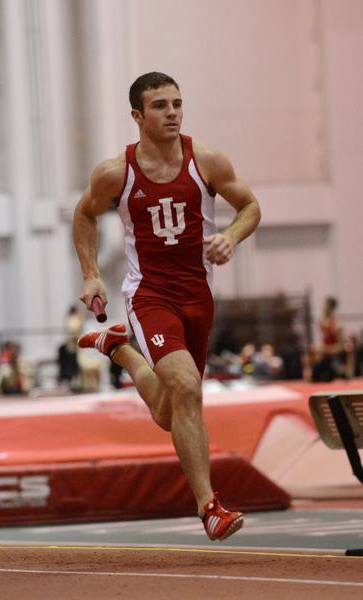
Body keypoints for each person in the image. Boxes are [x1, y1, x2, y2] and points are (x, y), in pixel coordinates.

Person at [73, 72, 261, 541]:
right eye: (160, 106)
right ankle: (210, 507)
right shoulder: (116, 172)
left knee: (167, 410)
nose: (172, 112)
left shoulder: (208, 161)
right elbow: (84, 214)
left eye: (177, 103)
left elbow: (250, 206)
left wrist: (230, 236)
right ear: (137, 116)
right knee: (185, 385)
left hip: (198, 295)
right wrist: (91, 274)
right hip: (149, 294)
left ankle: (119, 348)